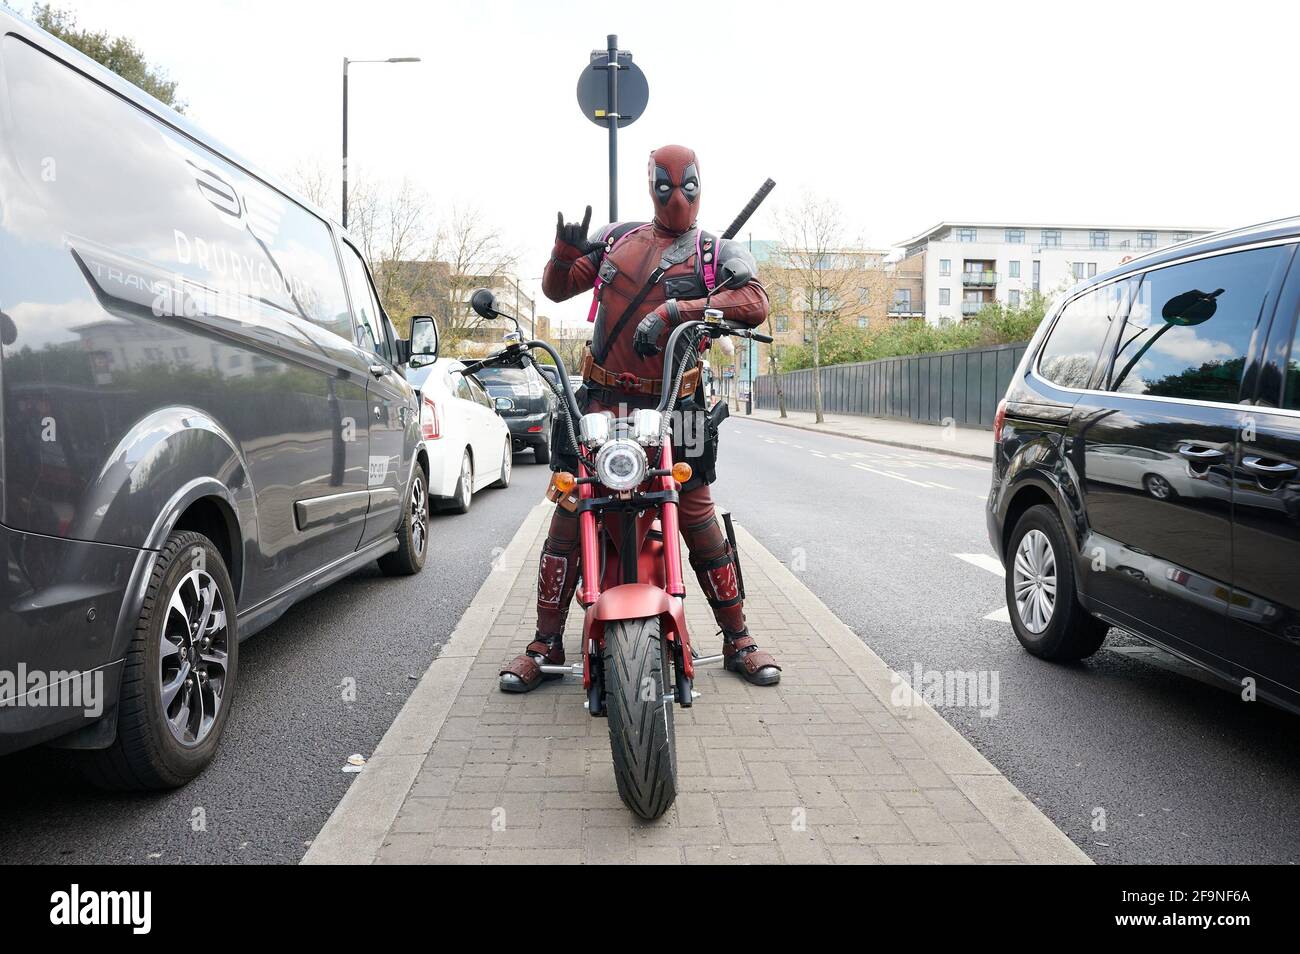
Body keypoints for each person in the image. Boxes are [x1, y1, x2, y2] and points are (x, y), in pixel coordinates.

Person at [498, 144, 781, 693]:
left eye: (687, 185)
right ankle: (545, 641)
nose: (677, 195)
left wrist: (679, 309)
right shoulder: (615, 239)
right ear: (649, 183)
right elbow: (558, 289)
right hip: (601, 399)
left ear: (700, 184)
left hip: (677, 404)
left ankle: (737, 635)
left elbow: (755, 301)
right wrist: (561, 253)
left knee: (696, 513)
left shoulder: (713, 253)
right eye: (666, 184)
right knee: (570, 507)